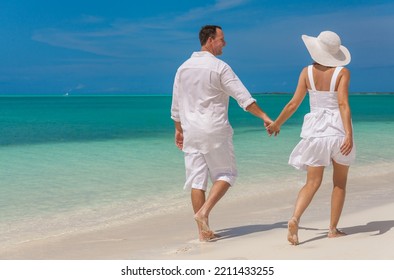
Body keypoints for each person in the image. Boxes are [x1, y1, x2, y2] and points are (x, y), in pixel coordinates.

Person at [171, 25, 274, 241]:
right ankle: (203, 213)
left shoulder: (183, 68)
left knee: (197, 182)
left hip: (191, 131)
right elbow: (243, 98)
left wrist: (178, 130)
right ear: (210, 40)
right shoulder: (220, 68)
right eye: (221, 39)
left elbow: (176, 104)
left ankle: (203, 233)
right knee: (227, 174)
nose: (224, 43)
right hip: (214, 129)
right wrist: (264, 116)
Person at [267, 31, 356, 245]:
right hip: (337, 131)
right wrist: (349, 134)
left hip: (316, 132)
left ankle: (295, 218)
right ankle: (333, 229)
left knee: (312, 182)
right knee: (339, 183)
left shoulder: (306, 72)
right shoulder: (342, 72)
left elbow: (293, 104)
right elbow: (343, 104)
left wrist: (277, 123)